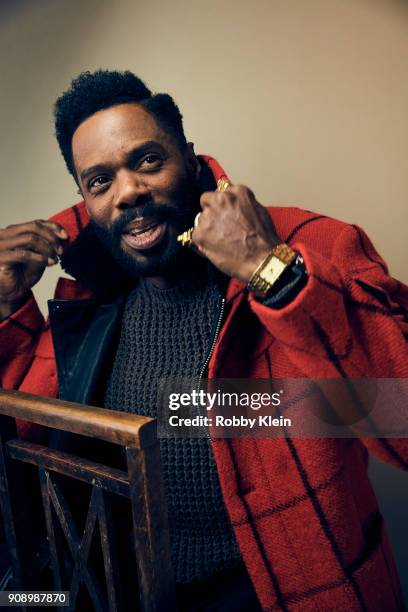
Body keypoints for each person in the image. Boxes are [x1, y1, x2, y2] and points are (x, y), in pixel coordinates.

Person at [0, 70, 407, 611]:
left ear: (190, 161)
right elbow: (22, 451)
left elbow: (399, 420)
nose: (128, 192)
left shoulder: (312, 245)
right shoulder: (88, 305)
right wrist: (3, 307)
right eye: (99, 181)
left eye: (147, 160)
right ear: (84, 198)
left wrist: (270, 270)